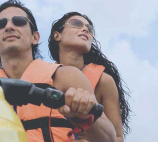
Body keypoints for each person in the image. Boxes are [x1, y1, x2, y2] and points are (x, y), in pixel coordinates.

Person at [0, 1, 116, 142]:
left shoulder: (67, 77)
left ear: (35, 37)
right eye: (0, 24)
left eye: (19, 21)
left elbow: (110, 139)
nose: (9, 27)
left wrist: (87, 116)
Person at [48, 12, 131, 142]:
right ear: (57, 35)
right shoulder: (44, 76)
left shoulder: (104, 81)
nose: (85, 29)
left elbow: (118, 137)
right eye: (76, 24)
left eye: (90, 29)